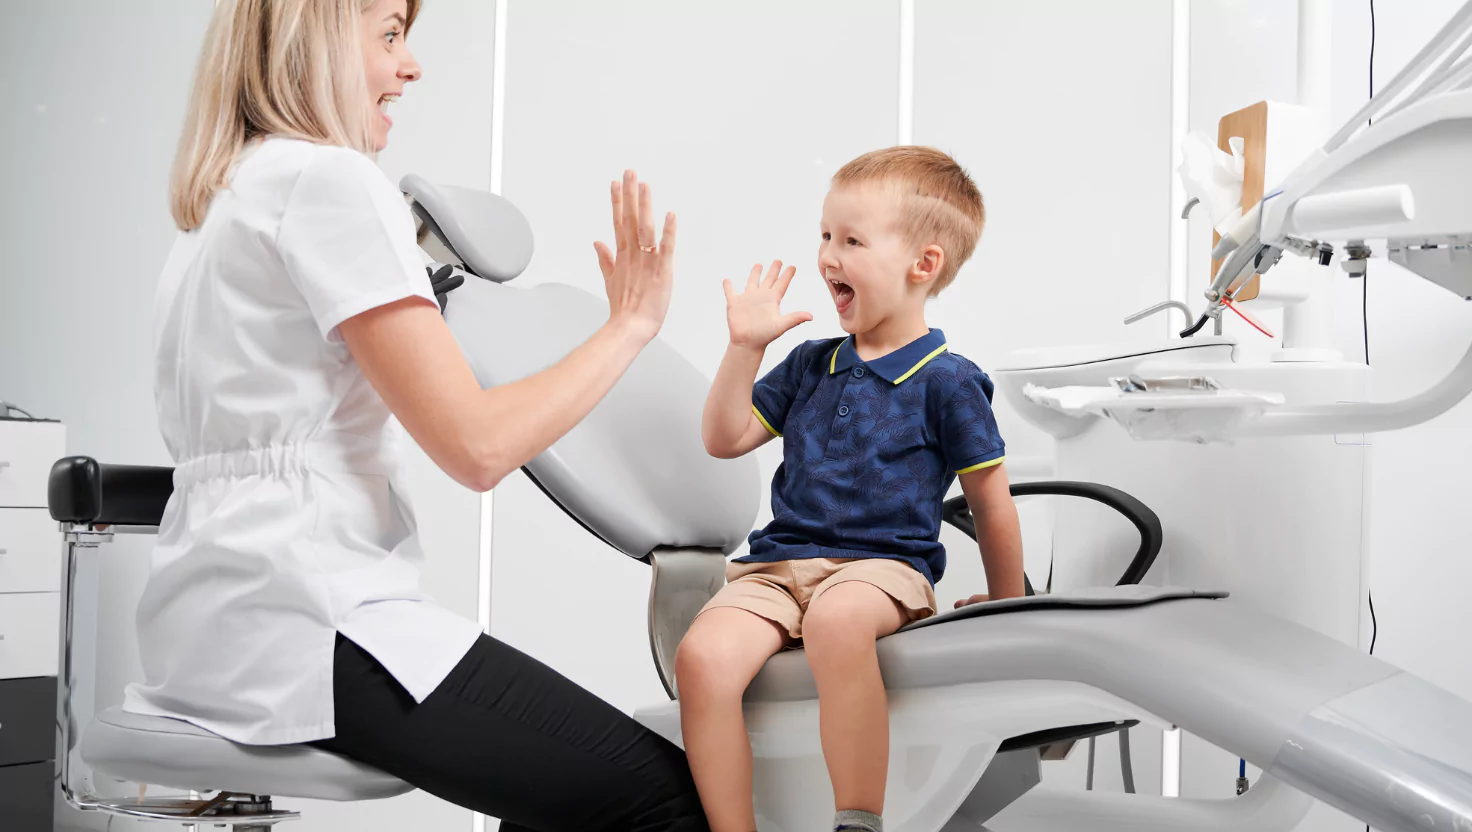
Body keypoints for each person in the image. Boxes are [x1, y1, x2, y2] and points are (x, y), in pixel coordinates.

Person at [134, 0, 707, 829]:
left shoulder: (222, 200)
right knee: (663, 801)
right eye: (391, 36)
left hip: (211, 621)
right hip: (312, 616)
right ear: (320, 41)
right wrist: (629, 329)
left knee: (561, 788)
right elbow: (477, 446)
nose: (412, 67)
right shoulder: (330, 183)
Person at [677, 146, 1027, 832]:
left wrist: (1011, 610)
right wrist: (745, 348)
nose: (827, 256)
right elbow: (723, 438)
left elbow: (992, 504)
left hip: (882, 570)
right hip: (776, 569)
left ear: (921, 265)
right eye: (825, 235)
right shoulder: (811, 364)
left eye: (851, 240)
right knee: (701, 656)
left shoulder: (948, 380)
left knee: (838, 620)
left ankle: (858, 820)